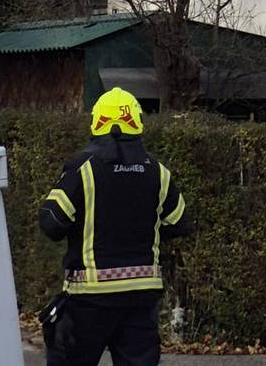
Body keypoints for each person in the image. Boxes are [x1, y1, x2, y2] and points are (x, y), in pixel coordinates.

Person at [39, 86, 191, 366]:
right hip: (141, 300)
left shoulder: (82, 170)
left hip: (88, 300)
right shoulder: (159, 172)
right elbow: (180, 223)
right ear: (138, 123)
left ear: (97, 122)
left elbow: (51, 223)